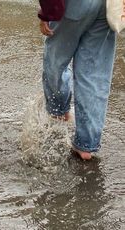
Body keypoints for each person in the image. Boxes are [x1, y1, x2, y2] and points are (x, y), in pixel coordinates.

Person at [38, 0, 116, 160]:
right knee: (94, 74)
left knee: (56, 60)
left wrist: (46, 12)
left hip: (75, 5)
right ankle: (86, 145)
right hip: (108, 5)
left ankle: (59, 110)